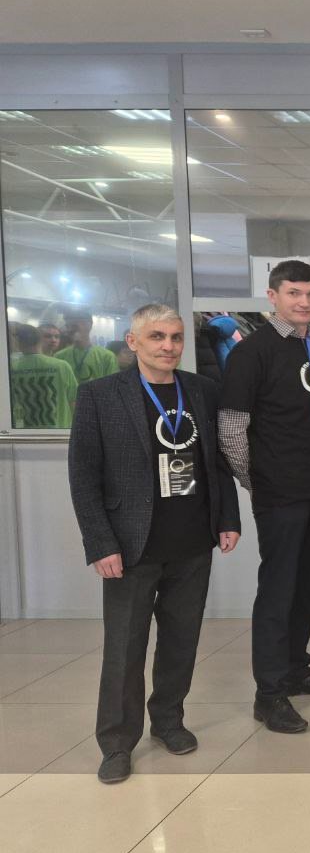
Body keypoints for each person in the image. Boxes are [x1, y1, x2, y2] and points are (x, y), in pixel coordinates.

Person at [68, 304, 241, 784]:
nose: (168, 346)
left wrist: (227, 518)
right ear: (133, 341)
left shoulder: (201, 390)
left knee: (181, 640)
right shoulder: (100, 395)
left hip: (192, 539)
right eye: (157, 337)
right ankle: (117, 742)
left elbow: (217, 462)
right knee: (124, 648)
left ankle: (168, 720)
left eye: (176, 337)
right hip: (130, 545)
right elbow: (83, 476)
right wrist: (100, 543)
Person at [219, 260, 310, 736]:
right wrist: (257, 481)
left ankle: (297, 668)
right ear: (272, 296)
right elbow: (231, 428)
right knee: (278, 589)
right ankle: (270, 692)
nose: (304, 302)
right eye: (294, 293)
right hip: (279, 490)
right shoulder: (252, 352)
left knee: (305, 582)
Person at [10, 323, 78, 428]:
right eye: (47, 336)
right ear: (39, 339)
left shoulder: (12, 367)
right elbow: (74, 401)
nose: (53, 340)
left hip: (23, 431)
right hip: (59, 431)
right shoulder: (62, 366)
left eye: (57, 336)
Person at [55, 313, 116, 386]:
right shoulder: (59, 356)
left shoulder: (107, 357)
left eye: (74, 326)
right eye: (67, 326)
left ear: (88, 326)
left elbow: (112, 387)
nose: (69, 330)